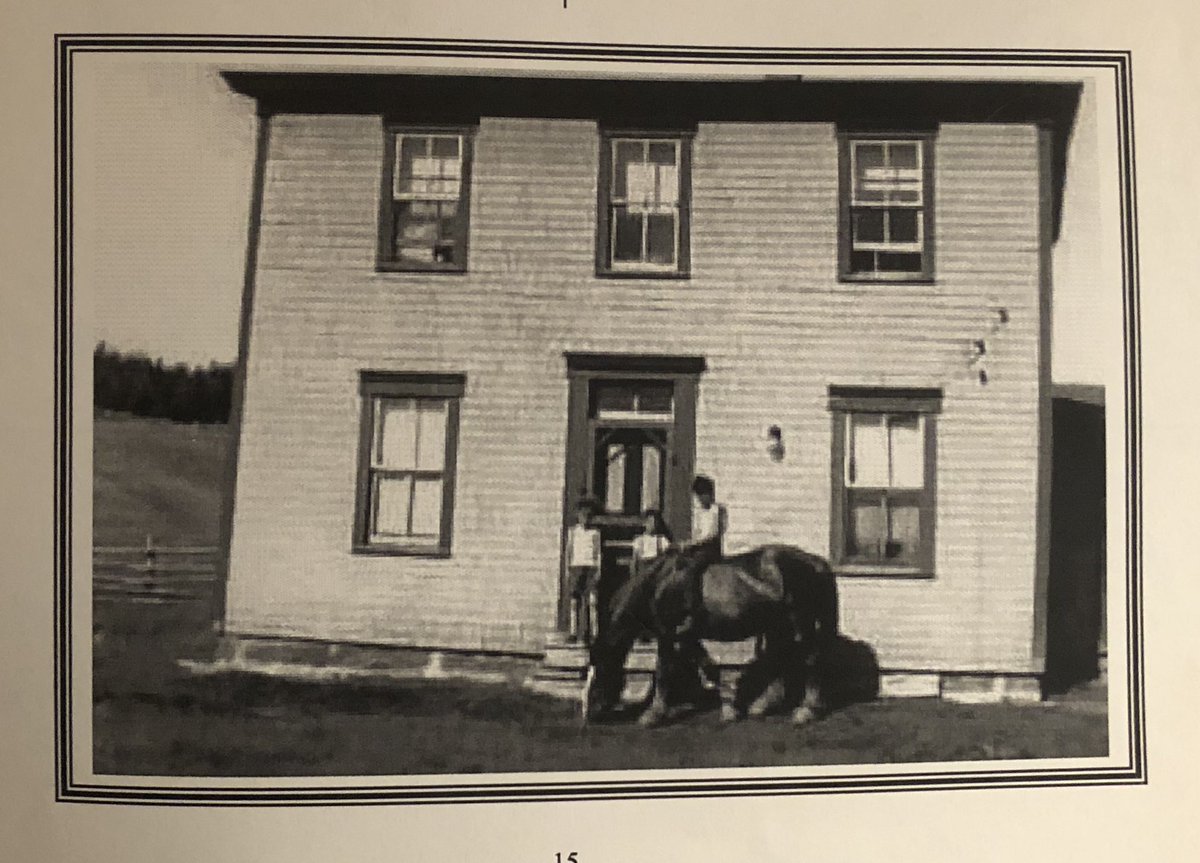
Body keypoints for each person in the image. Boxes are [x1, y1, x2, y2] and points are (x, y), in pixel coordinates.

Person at [674, 474, 727, 639]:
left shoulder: (716, 510)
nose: (700, 500)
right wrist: (687, 545)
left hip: (710, 549)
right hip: (698, 547)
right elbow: (696, 533)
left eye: (702, 495)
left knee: (693, 569)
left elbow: (712, 534)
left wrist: (691, 545)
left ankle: (693, 611)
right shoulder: (699, 513)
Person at [564, 497, 602, 644]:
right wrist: (568, 569)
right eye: (582, 515)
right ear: (578, 516)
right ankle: (573, 632)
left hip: (590, 567)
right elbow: (569, 551)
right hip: (576, 566)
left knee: (592, 601)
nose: (585, 519)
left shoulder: (595, 533)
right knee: (574, 601)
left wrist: (598, 569)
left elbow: (598, 553)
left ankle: (593, 632)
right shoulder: (573, 532)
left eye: (588, 516)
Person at [630, 508, 673, 579]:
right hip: (641, 577)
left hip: (657, 577)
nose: (651, 524)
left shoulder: (662, 540)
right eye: (649, 522)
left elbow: (666, 561)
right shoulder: (639, 540)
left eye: (653, 522)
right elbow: (634, 562)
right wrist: (634, 577)